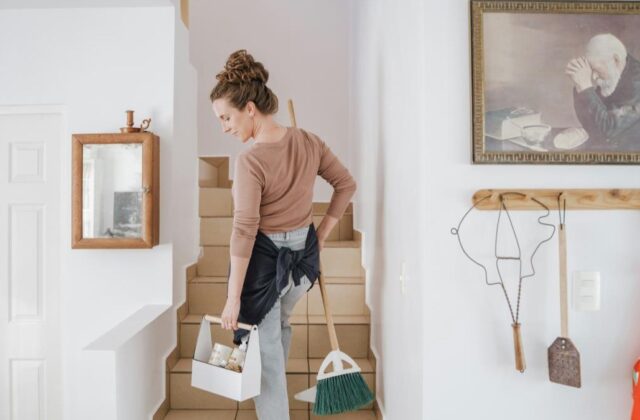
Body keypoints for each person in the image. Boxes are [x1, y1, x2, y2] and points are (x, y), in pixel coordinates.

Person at [209, 49, 356, 420]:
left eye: (226, 117)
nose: (224, 126)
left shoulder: (251, 161)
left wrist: (232, 298)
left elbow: (244, 231)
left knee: (265, 352)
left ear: (250, 109)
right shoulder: (309, 141)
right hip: (302, 262)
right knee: (279, 330)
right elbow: (346, 184)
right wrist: (318, 236)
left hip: (265, 265)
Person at [565, 33, 640, 151]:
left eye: (597, 70)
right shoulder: (613, 75)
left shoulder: (637, 83)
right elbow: (591, 123)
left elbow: (606, 130)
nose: (593, 77)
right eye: (591, 70)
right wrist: (579, 85)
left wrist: (584, 86)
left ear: (616, 60)